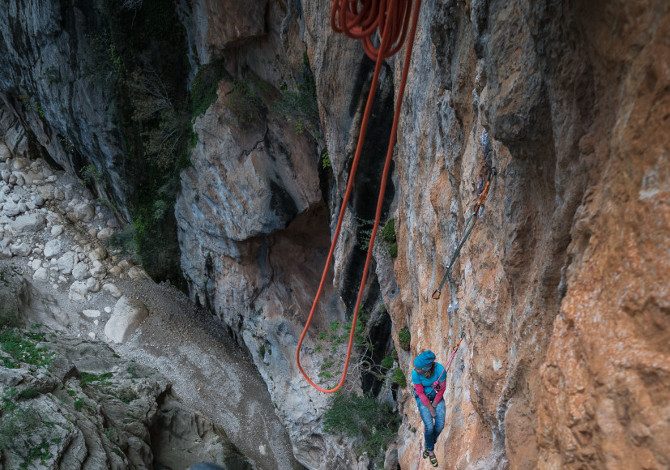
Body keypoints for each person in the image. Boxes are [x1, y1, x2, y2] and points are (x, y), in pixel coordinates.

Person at [412, 350, 446, 467]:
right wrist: (431, 408)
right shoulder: (415, 374)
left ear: (426, 368)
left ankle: (428, 444)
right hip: (423, 398)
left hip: (436, 395)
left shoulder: (440, 370)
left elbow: (441, 390)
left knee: (440, 424)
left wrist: (435, 404)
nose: (415, 369)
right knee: (429, 427)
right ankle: (430, 451)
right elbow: (420, 393)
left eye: (418, 368)